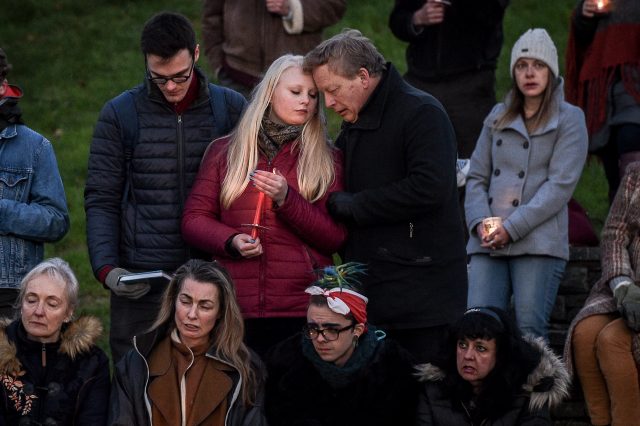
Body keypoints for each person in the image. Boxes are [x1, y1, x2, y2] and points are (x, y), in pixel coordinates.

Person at [84, 12, 246, 362]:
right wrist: (107, 269)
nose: (171, 87)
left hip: (211, 276)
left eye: (180, 76)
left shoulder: (230, 108)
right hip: (141, 280)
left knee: (213, 378)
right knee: (137, 378)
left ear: (197, 54)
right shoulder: (120, 114)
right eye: (158, 78)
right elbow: (101, 198)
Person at [303, 29, 467, 363]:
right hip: (377, 294)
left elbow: (430, 186)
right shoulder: (359, 119)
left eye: (332, 90)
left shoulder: (421, 113)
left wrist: (355, 205)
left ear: (363, 77)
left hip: (423, 300)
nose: (329, 103)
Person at [182, 54, 346, 356]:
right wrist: (230, 241)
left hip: (302, 307)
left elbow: (334, 238)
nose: (306, 102)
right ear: (270, 92)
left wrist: (288, 200)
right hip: (235, 304)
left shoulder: (327, 158)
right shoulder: (225, 152)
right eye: (295, 92)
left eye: (312, 95)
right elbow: (193, 220)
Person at [464, 28, 588, 339]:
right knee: (478, 328)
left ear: (550, 71)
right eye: (522, 65)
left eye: (538, 65)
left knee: (530, 332)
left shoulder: (570, 118)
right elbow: (477, 176)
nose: (529, 73)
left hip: (538, 242)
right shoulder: (498, 115)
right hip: (488, 242)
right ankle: (485, 390)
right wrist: (480, 222)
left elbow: (559, 187)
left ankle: (535, 390)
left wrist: (513, 228)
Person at [109, 259, 267, 426]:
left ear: (220, 312)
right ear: (173, 301)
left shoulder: (246, 369)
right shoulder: (136, 363)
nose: (192, 314)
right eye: (185, 301)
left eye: (205, 306)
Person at [265, 263, 419, 426]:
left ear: (358, 330)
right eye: (313, 328)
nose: (320, 338)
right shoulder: (285, 363)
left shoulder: (392, 367)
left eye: (332, 329)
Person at [564, 162, 640, 426]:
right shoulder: (635, 174)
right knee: (584, 334)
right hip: (623, 284)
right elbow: (614, 235)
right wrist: (622, 284)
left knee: (612, 341)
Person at [389, 0, 509, 160]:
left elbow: (493, 13)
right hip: (420, 80)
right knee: (407, 156)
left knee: (473, 165)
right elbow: (398, 18)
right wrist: (417, 18)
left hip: (470, 84)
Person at [0, 48, 69, 318]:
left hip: (10, 296)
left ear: (3, 86)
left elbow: (56, 221)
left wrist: (3, 211)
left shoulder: (34, 147)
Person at [0, 258, 110, 425]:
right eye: (31, 300)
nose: (38, 311)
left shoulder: (92, 362)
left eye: (52, 304)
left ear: (68, 313)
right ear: (21, 304)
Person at [416, 306, 570, 425]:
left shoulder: (530, 392)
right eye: (462, 345)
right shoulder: (433, 389)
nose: (468, 356)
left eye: (480, 348)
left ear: (501, 354)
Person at [565, 0, 640, 202]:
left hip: (633, 84)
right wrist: (584, 14)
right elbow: (584, 39)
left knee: (631, 142)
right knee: (611, 156)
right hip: (602, 92)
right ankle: (618, 226)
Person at [202, 0, 346, 98]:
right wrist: (218, 63)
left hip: (298, 77)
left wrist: (292, 8)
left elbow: (334, 5)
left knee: (301, 142)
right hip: (236, 76)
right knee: (235, 141)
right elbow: (212, 14)